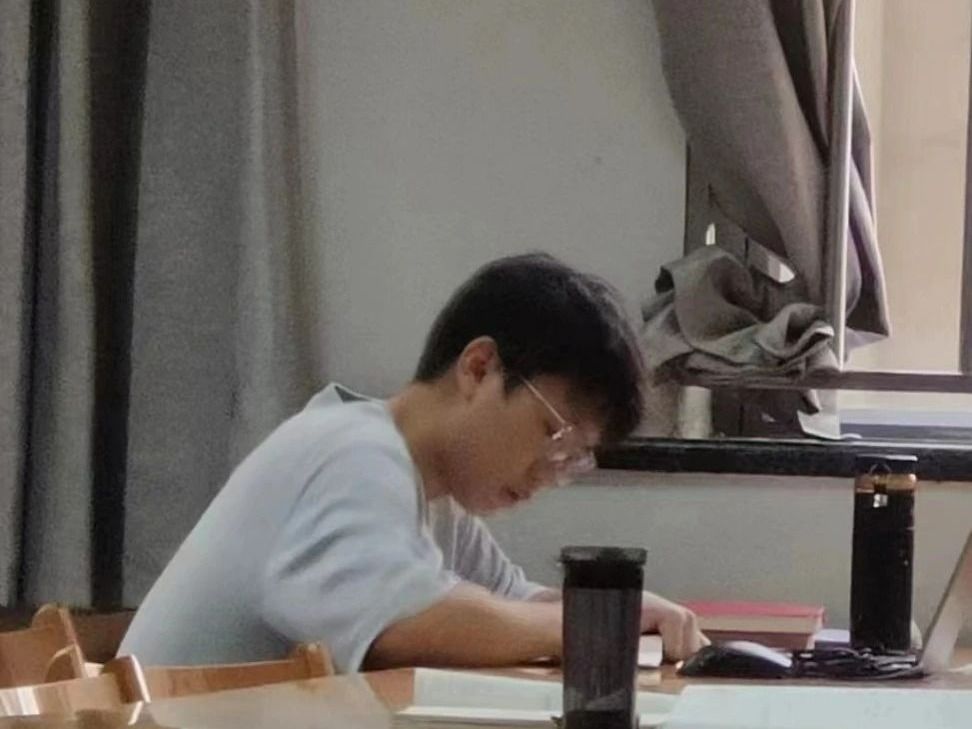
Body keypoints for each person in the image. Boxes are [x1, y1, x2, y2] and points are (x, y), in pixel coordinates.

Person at [120, 253, 707, 672]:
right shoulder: (354, 452)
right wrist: (599, 628)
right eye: (553, 436)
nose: (549, 474)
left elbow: (507, 606)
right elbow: (403, 624)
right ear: (479, 369)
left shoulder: (433, 493)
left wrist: (624, 612)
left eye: (573, 459)